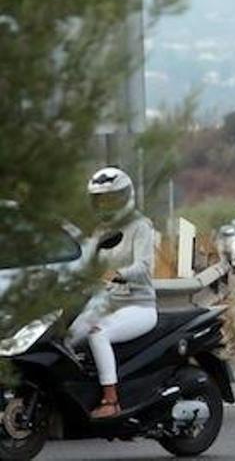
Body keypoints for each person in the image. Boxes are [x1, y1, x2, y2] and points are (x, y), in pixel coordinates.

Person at [67, 167, 158, 419]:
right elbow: (86, 262)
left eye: (111, 199)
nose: (106, 205)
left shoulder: (141, 226)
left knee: (98, 333)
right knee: (66, 338)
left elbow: (144, 266)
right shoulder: (101, 231)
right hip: (106, 301)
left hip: (138, 305)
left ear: (125, 197)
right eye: (100, 200)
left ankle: (111, 400)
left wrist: (118, 273)